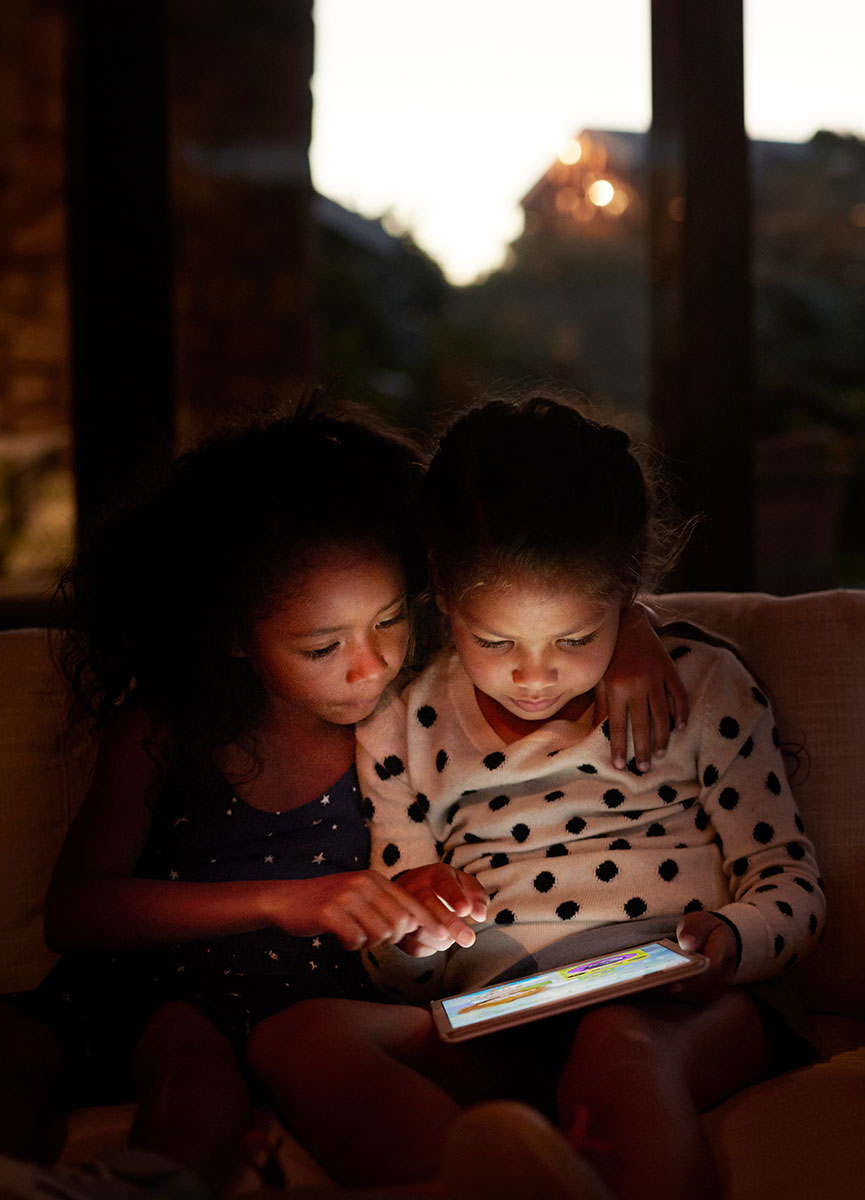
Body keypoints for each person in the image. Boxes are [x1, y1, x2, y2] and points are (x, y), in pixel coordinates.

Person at [0, 399, 686, 1199]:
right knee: (3, 1039)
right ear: (233, 635)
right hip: (137, 981)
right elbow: (76, 912)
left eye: (392, 622)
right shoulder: (170, 724)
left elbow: (535, 592)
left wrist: (634, 625)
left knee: (187, 1044)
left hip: (292, 1010)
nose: (369, 668)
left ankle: (147, 1182)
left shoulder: (424, 706)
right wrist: (283, 901)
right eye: (321, 648)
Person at [248, 395, 826, 1200]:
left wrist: (733, 937)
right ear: (443, 597)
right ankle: (498, 1172)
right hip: (502, 1018)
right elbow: (395, 973)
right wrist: (416, 923)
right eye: (495, 642)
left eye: (576, 639)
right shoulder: (403, 722)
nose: (534, 674)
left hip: (671, 1009)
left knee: (618, 1043)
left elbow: (792, 882)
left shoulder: (702, 690)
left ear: (623, 599)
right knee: (298, 1039)